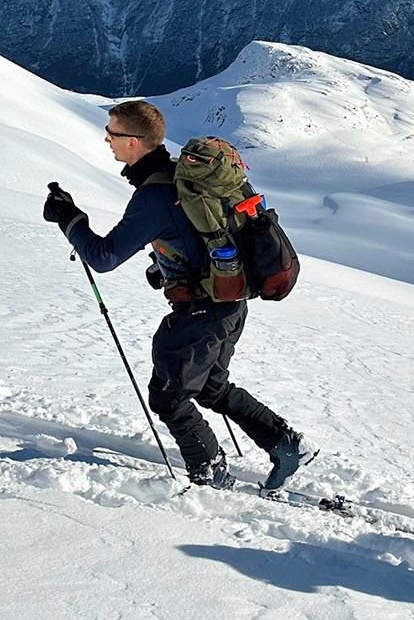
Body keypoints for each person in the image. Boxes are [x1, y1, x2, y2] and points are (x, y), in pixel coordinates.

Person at [43, 98, 305, 492]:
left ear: (134, 142)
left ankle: (209, 472)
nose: (107, 140)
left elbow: (103, 257)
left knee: (168, 397)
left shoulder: (154, 195)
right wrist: (164, 268)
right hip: (229, 305)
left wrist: (69, 218)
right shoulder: (180, 175)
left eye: (112, 133)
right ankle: (286, 444)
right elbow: (188, 237)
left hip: (201, 313)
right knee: (211, 388)